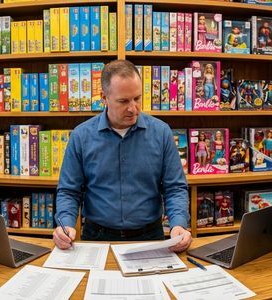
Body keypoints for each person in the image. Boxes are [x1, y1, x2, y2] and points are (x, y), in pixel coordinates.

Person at [54, 60, 192, 252]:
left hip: (150, 236)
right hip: (97, 237)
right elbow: (69, 191)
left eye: (137, 98)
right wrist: (65, 225)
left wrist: (178, 224)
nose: (133, 108)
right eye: (123, 101)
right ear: (104, 97)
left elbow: (175, 187)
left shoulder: (161, 133)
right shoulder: (81, 136)